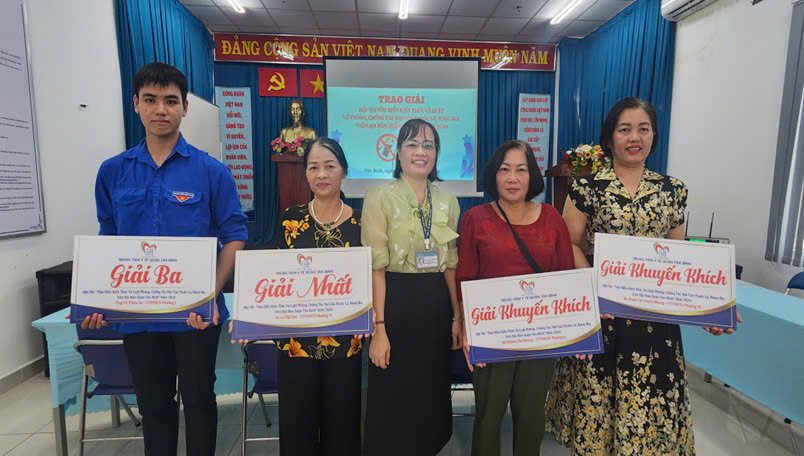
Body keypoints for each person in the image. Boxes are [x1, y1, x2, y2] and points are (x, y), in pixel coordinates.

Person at [545, 97, 739, 455]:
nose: (634, 137)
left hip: (655, 324)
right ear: (610, 138)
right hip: (603, 317)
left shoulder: (672, 190)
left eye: (643, 129)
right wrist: (592, 289)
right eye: (624, 129)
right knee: (597, 418)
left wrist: (711, 308)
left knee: (651, 421)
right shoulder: (587, 186)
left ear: (653, 136)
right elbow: (568, 243)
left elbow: (680, 260)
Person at [81, 62, 247, 456]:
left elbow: (235, 236)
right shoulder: (112, 172)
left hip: (195, 314)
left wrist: (210, 294)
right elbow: (108, 236)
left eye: (171, 101)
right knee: (153, 403)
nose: (161, 110)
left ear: (184, 107)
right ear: (136, 104)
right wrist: (99, 298)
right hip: (137, 315)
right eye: (151, 100)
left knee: (199, 398)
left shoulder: (212, 172)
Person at [456, 140, 575, 456]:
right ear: (493, 175)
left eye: (521, 170)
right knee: (488, 417)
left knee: (531, 418)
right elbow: (465, 276)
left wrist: (578, 329)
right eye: (504, 170)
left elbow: (567, 277)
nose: (512, 178)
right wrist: (466, 327)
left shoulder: (552, 218)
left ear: (531, 175)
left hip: (540, 336)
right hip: (490, 334)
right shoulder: (476, 218)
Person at [362, 118, 463, 456]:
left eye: (428, 145)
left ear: (436, 153)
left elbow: (451, 264)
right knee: (394, 390)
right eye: (412, 144)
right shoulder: (379, 197)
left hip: (435, 305)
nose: (421, 152)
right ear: (398, 152)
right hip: (395, 303)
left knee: (430, 390)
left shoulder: (448, 201)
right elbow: (376, 267)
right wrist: (379, 328)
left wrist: (457, 317)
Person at [272, 137, 363, 456]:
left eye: (329, 166)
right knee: (298, 432)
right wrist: (251, 319)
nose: (321, 174)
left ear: (344, 171)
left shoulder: (362, 223)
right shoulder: (290, 220)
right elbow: (273, 279)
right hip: (295, 345)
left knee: (343, 431)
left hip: (345, 346)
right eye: (313, 167)